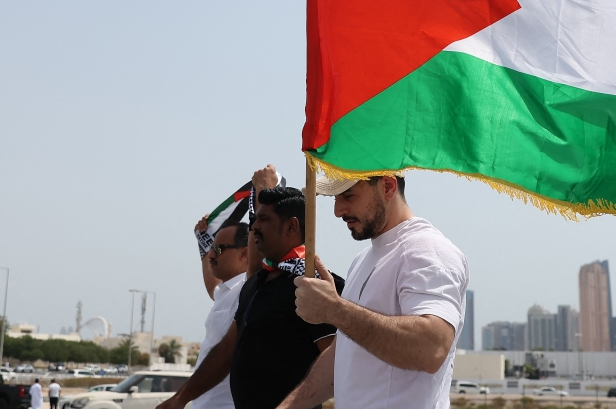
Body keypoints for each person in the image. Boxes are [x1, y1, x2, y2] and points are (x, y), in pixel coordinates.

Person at [277, 174, 469, 409]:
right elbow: (342, 357)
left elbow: (432, 347)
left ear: (387, 186)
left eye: (348, 195)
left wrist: (334, 310)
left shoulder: (427, 250)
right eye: (336, 198)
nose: (338, 210)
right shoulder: (362, 260)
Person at [156, 184, 343, 409]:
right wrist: (181, 397)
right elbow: (226, 350)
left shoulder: (313, 284)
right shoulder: (254, 284)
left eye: (264, 219)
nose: (254, 226)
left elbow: (337, 362)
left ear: (291, 226)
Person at [189, 217, 249, 409]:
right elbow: (212, 287)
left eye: (218, 249)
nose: (211, 256)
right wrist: (204, 239)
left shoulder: (249, 289)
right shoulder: (226, 291)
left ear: (245, 253)